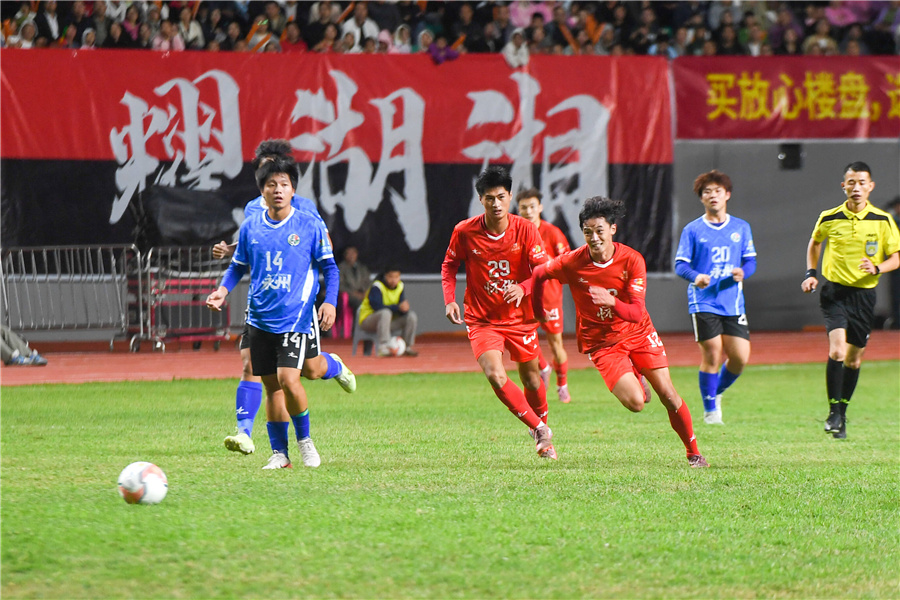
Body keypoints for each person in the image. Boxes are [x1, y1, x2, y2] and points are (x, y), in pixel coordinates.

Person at [526, 196, 709, 468]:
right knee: (636, 403)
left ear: (613, 229)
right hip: (602, 344)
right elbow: (540, 274)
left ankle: (693, 453)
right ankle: (635, 374)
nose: (594, 238)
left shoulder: (632, 260)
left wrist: (611, 301)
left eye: (599, 230)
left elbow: (635, 312)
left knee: (668, 394)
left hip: (638, 332)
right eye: (587, 232)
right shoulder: (572, 262)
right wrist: (537, 310)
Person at [211, 140, 356, 459]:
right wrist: (230, 255)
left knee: (309, 371)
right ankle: (251, 437)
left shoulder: (305, 212)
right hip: (261, 306)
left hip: (297, 308)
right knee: (255, 368)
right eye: (267, 172)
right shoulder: (253, 211)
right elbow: (253, 246)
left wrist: (328, 300)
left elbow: (324, 254)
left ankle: (333, 365)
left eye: (281, 176)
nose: (275, 183)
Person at [442, 166, 557, 460]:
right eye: (490, 198)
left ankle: (542, 426)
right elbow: (450, 265)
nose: (496, 204)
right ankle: (540, 430)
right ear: (481, 199)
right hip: (482, 319)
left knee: (532, 380)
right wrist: (450, 300)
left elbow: (542, 271)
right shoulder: (464, 231)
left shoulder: (526, 229)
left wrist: (524, 287)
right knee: (495, 374)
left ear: (509, 197)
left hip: (520, 318)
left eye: (501, 197)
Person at [801, 162, 900, 439]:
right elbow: (815, 242)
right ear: (843, 186)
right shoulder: (829, 217)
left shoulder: (882, 220)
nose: (856, 187)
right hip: (834, 293)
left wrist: (877, 267)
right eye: (851, 182)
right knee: (837, 352)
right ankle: (833, 412)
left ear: (871, 186)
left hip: (864, 296)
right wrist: (811, 273)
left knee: (854, 361)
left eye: (862, 182)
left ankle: (842, 414)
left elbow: (896, 258)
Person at [675, 170, 757, 425]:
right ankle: (711, 412)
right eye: (707, 192)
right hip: (704, 301)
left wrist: (743, 272)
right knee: (712, 354)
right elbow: (680, 265)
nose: (713, 195)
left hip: (732, 302)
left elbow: (750, 261)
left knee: (740, 358)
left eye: (717, 191)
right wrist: (696, 276)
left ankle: (715, 391)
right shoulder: (692, 230)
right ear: (701, 198)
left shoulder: (741, 227)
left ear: (727, 195)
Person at [516, 189, 572, 403]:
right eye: (524, 207)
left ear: (540, 207)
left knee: (555, 343)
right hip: (524, 294)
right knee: (522, 337)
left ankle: (562, 384)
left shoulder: (553, 233)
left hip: (549, 295)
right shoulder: (515, 232)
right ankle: (543, 367)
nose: (528, 211)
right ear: (518, 209)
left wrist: (548, 262)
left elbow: (566, 262)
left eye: (532, 206)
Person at [358, 267, 418, 357]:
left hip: (388, 322)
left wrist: (404, 309)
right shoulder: (377, 286)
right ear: (385, 276)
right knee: (385, 313)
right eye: (391, 277)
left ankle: (406, 346)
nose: (393, 280)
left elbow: (400, 308)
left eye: (396, 277)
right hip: (369, 321)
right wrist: (398, 307)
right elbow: (377, 307)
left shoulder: (400, 286)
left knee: (411, 316)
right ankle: (384, 346)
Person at [338, 246, 371, 315]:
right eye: (349, 253)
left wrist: (365, 292)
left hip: (362, 294)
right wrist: (354, 293)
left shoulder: (362, 267)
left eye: (353, 253)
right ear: (345, 255)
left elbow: (367, 282)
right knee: (358, 303)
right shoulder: (341, 268)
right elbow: (340, 285)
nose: (351, 256)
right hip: (348, 295)